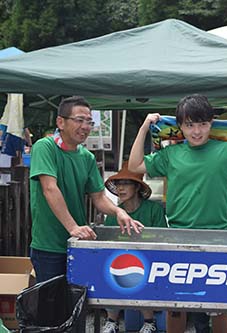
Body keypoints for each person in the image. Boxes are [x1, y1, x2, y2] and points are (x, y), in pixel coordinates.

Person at [128, 94, 227, 333]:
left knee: (219, 305)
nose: (197, 131)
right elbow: (134, 166)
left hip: (218, 236)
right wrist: (143, 127)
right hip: (177, 235)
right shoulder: (171, 154)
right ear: (180, 126)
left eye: (202, 124)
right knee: (176, 305)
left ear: (211, 123)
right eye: (190, 125)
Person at [29, 96, 143, 283]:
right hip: (48, 245)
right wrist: (73, 227)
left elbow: (98, 197)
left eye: (89, 122)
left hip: (78, 244)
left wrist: (118, 210)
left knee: (79, 304)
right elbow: (49, 188)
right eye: (79, 120)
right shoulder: (44, 147)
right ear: (61, 122)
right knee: (51, 307)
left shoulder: (87, 157)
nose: (85, 126)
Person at [101, 162, 167, 333]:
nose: (121, 188)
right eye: (118, 184)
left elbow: (161, 239)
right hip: (121, 262)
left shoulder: (154, 209)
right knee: (110, 266)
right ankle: (111, 321)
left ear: (137, 187)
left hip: (149, 261)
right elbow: (108, 242)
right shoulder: (114, 213)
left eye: (126, 184)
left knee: (138, 268)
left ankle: (149, 321)